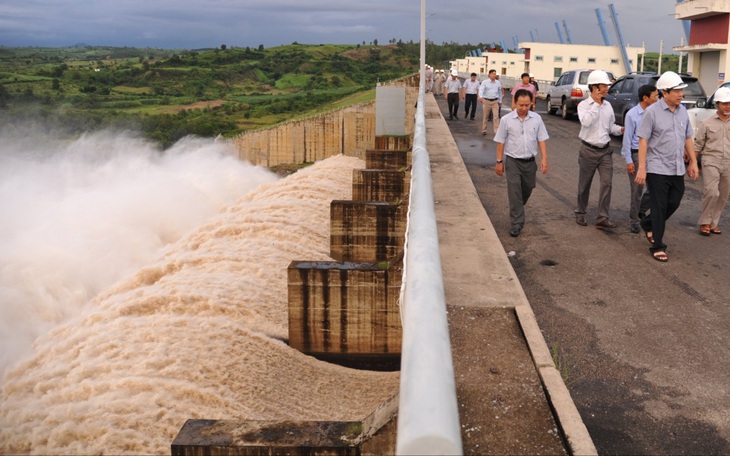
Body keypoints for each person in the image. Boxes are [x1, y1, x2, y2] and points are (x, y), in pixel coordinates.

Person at [635, 71, 699, 262]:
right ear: (665, 92)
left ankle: (647, 222)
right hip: (657, 167)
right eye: (677, 91)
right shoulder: (651, 113)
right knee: (660, 205)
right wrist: (642, 167)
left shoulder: (682, 112)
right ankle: (658, 246)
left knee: (674, 201)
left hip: (676, 167)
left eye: (681, 91)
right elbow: (643, 140)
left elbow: (688, 137)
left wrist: (693, 162)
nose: (680, 94)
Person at [494, 89, 549, 237]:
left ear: (531, 103)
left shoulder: (536, 119)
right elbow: (500, 141)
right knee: (514, 191)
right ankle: (517, 223)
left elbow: (541, 139)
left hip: (530, 162)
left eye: (527, 105)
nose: (524, 108)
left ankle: (517, 207)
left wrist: (544, 158)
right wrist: (499, 161)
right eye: (521, 105)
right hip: (513, 161)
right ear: (515, 103)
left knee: (528, 187)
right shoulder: (506, 120)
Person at [574, 70, 623, 229]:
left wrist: (621, 129)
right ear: (595, 88)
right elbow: (586, 122)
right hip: (588, 150)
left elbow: (610, 127)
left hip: (605, 152)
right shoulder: (583, 105)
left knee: (607, 183)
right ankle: (580, 212)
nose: (607, 88)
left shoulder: (608, 106)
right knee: (584, 184)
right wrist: (595, 104)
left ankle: (602, 217)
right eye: (604, 86)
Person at [621, 84, 658, 233]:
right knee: (637, 190)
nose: (657, 98)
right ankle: (634, 220)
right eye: (655, 96)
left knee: (655, 188)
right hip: (636, 154)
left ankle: (641, 210)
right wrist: (629, 160)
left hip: (652, 154)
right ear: (645, 98)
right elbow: (627, 139)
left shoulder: (655, 113)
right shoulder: (632, 115)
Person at [695, 86, 730, 236]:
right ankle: (705, 222)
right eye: (724, 103)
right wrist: (692, 165)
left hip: (728, 162)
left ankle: (713, 223)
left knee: (723, 195)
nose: (728, 106)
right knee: (712, 192)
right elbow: (697, 145)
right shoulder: (707, 123)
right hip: (711, 161)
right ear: (717, 105)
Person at [478, 69, 502, 135]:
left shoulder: (498, 83)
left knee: (496, 116)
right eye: (493, 74)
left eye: (495, 74)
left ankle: (496, 130)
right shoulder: (485, 82)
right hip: (486, 101)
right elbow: (481, 89)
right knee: (486, 116)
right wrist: (480, 96)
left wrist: (500, 101)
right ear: (489, 75)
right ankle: (484, 129)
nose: (494, 75)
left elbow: (499, 92)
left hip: (495, 101)